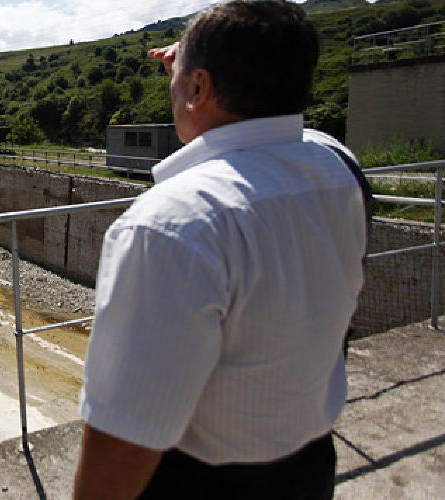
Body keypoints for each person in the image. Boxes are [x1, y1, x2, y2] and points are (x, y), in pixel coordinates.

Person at [74, 1, 367, 498]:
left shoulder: (170, 225)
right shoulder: (339, 172)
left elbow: (124, 441)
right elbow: (293, 131)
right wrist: (192, 71)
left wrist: (191, 77)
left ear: (199, 87)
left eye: (183, 79)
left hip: (206, 485)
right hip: (309, 469)